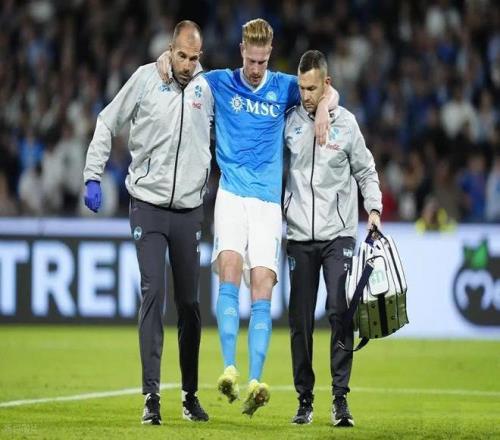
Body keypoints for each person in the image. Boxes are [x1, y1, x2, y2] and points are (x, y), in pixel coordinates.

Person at [156, 17, 337, 417]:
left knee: (262, 287)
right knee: (229, 272)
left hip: (268, 203)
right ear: (242, 51)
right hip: (231, 195)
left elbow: (327, 88)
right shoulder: (220, 81)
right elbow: (181, 70)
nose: (256, 69)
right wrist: (162, 60)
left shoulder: (285, 87)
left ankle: (255, 380)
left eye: (262, 61)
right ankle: (229, 370)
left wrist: (324, 107)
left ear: (270, 54)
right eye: (251, 60)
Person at [83, 20, 212, 425]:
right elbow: (108, 120)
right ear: (170, 50)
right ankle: (151, 396)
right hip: (148, 207)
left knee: (190, 304)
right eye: (182, 55)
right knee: (153, 292)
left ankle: (189, 395)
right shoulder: (144, 79)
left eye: (194, 58)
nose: (187, 64)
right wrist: (92, 173)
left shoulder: (209, 89)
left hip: (189, 211)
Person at [283, 50, 382, 427]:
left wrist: (374, 209)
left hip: (338, 234)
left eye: (312, 88)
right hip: (299, 235)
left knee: (340, 311)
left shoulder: (347, 124)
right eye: (301, 88)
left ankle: (340, 398)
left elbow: (366, 170)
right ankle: (304, 399)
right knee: (299, 320)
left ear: (327, 84)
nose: (306, 95)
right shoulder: (289, 122)